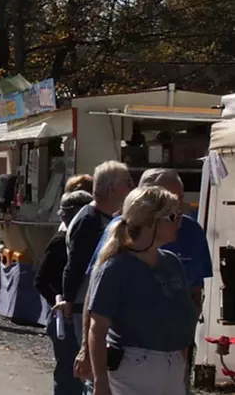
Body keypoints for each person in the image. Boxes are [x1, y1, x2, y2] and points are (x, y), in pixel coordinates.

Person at [87, 185, 197, 395]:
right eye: (173, 217)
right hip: (134, 370)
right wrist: (100, 381)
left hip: (174, 367)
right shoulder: (115, 268)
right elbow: (97, 329)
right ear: (149, 222)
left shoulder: (172, 263)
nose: (179, 223)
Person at [66, 161, 133, 383]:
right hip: (83, 306)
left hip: (97, 306)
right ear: (113, 187)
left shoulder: (107, 218)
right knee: (91, 373)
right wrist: (68, 300)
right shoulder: (90, 220)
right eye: (127, 182)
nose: (131, 187)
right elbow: (76, 266)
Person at [35, 188, 94, 395]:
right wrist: (61, 303)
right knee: (69, 377)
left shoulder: (80, 239)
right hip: (65, 318)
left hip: (78, 315)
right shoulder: (61, 242)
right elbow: (41, 280)